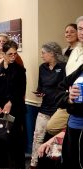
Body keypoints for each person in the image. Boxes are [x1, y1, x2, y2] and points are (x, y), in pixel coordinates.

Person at [0, 40, 26, 169]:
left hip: (14, 110)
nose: (13, 57)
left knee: (15, 141)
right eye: (10, 54)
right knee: (0, 140)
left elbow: (20, 90)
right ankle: (1, 165)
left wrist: (10, 102)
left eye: (15, 54)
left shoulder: (20, 70)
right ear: (3, 54)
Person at [29, 42, 66, 168]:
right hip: (44, 108)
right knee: (37, 137)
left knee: (55, 141)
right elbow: (41, 86)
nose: (41, 55)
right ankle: (34, 164)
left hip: (58, 109)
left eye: (43, 53)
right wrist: (39, 93)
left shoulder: (64, 67)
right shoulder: (42, 68)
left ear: (52, 53)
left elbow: (65, 87)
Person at [55, 16, 83, 169]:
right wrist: (69, 98)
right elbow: (61, 87)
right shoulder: (76, 56)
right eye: (80, 28)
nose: (82, 32)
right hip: (74, 121)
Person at [46, 23, 79, 136]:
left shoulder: (80, 51)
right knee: (51, 127)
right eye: (66, 32)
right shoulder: (63, 51)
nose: (68, 34)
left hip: (76, 92)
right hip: (64, 92)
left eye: (72, 31)